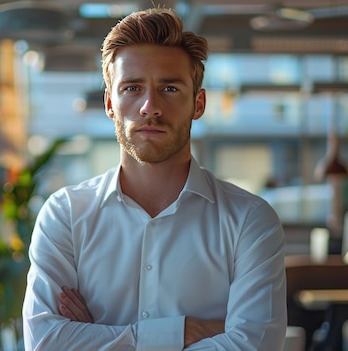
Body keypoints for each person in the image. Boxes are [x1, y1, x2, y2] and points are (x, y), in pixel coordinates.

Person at [22, 7, 287, 350]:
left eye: (170, 89)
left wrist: (97, 336)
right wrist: (185, 332)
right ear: (109, 104)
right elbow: (45, 342)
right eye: (132, 88)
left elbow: (254, 347)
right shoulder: (66, 215)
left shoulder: (249, 220)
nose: (150, 106)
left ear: (198, 103)